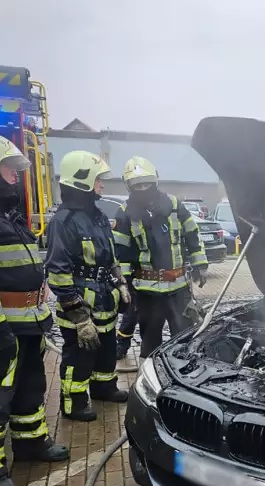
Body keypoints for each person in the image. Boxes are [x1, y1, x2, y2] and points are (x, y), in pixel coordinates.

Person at [0, 132, 69, 486]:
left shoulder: (7, 215)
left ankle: (31, 442)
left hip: (27, 324)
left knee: (30, 386)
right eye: (9, 167)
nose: (16, 175)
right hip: (1, 329)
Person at [45, 150, 131, 422]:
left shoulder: (98, 216)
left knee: (106, 351)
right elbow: (58, 272)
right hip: (80, 307)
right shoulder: (63, 222)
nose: (102, 185)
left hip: (105, 300)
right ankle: (74, 403)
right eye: (97, 180)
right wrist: (79, 317)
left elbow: (111, 255)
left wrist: (120, 282)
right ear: (82, 181)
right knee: (79, 357)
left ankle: (104, 388)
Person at [113, 156, 207, 363]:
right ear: (129, 187)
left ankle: (183, 373)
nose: (143, 189)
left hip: (178, 289)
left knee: (184, 341)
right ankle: (149, 376)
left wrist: (200, 264)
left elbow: (192, 233)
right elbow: (120, 252)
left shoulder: (173, 204)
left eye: (146, 183)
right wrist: (125, 283)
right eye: (137, 186)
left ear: (155, 181)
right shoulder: (125, 212)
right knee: (150, 344)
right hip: (147, 293)